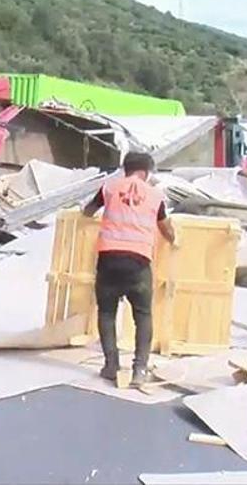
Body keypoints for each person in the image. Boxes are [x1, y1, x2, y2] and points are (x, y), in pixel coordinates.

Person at [82, 152, 177, 388]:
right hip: (139, 262)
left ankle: (111, 365)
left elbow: (88, 210)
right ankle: (139, 370)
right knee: (143, 315)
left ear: (126, 169)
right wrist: (174, 239)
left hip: (109, 259)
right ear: (145, 172)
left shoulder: (110, 188)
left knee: (106, 313)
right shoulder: (155, 195)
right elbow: (166, 229)